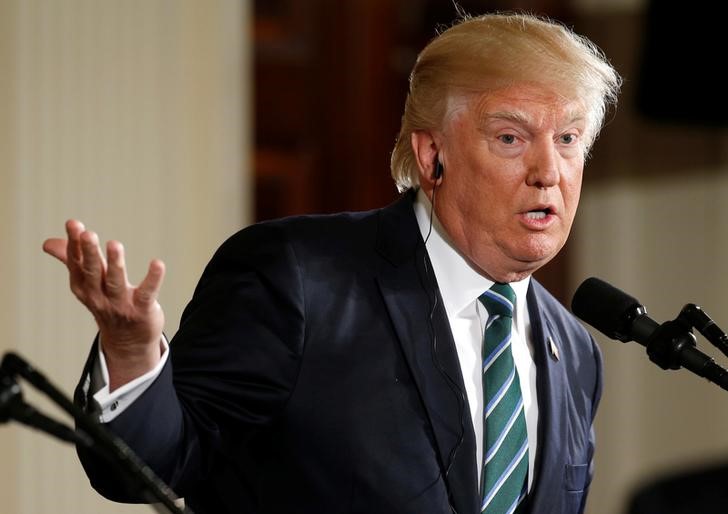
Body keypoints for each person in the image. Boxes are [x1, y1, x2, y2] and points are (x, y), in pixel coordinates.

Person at [43, 12, 620, 514]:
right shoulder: (296, 279)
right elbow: (151, 465)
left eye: (568, 138)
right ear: (432, 154)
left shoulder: (574, 351)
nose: (550, 170)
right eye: (511, 138)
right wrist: (130, 355)